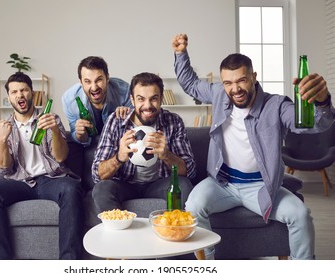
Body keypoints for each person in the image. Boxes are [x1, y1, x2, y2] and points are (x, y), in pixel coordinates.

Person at [171, 33, 335, 260]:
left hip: (261, 188)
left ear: (253, 77)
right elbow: (190, 83)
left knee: (301, 215)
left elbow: (315, 125)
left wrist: (323, 101)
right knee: (194, 205)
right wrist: (180, 53)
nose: (235, 89)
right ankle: (208, 266)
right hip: (222, 184)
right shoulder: (220, 94)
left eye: (241, 80)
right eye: (228, 82)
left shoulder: (276, 105)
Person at [0, 72, 84, 260]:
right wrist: (2, 140)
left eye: (24, 90)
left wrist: (55, 131)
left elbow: (61, 157)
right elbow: (4, 168)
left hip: (50, 179)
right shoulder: (4, 126)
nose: (20, 95)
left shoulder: (49, 118)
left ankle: (69, 263)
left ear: (32, 93)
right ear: (9, 97)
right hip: (20, 181)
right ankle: (0, 265)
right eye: (14, 92)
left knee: (71, 188)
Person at [91, 72, 196, 212]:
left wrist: (166, 155)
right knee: (102, 189)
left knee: (183, 185)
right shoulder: (116, 121)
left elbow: (190, 171)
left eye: (154, 99)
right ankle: (120, 230)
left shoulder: (173, 121)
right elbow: (97, 175)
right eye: (141, 99)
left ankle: (172, 229)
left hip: (159, 183)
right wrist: (119, 157)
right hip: (125, 184)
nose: (147, 106)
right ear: (132, 100)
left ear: (161, 99)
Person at [62, 56, 132, 146]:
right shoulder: (69, 100)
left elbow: (136, 126)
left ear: (107, 78)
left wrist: (128, 115)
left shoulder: (125, 91)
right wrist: (80, 134)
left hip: (118, 140)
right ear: (80, 82)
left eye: (99, 80)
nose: (94, 87)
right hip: (90, 143)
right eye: (87, 81)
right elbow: (78, 138)